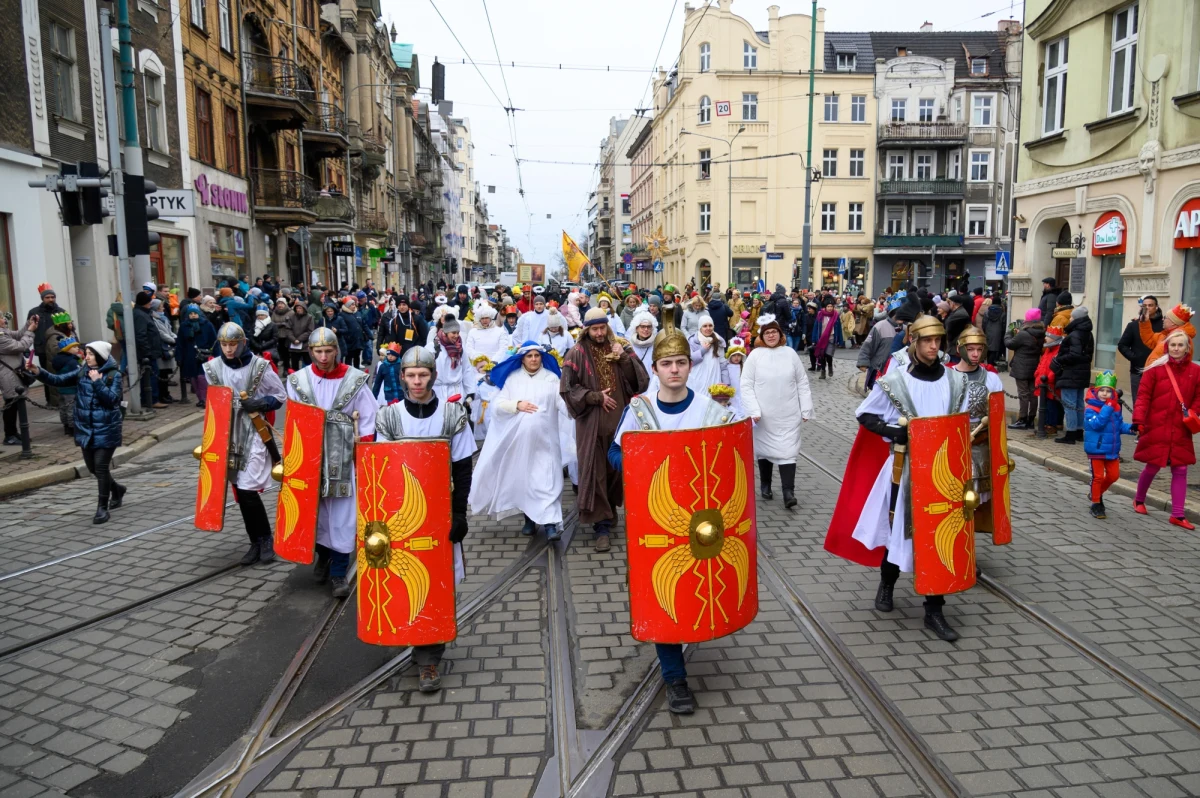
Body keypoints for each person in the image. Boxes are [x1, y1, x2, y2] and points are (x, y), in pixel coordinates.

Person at [607, 327, 738, 715]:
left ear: (689, 366)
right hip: (656, 521)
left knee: (699, 586)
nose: (675, 370)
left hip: (703, 521)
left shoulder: (712, 410)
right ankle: (674, 676)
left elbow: (730, 463)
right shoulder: (640, 410)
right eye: (667, 364)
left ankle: (696, 632)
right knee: (661, 593)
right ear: (656, 368)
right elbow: (616, 456)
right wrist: (645, 461)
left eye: (681, 362)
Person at [831, 314, 969, 642]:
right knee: (898, 531)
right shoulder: (897, 382)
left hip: (943, 475)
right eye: (927, 341)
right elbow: (864, 413)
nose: (933, 347)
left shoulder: (955, 381)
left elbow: (959, 424)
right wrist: (895, 432)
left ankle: (934, 609)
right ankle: (887, 584)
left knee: (939, 536)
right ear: (914, 342)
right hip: (903, 469)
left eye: (938, 341)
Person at [374, 346, 474, 691]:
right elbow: (381, 471)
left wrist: (460, 512)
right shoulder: (388, 418)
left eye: (424, 375)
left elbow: (462, 469)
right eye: (411, 375)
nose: (417, 382)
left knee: (437, 583)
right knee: (406, 578)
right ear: (402, 377)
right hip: (402, 517)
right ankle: (416, 640)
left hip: (440, 513)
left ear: (433, 376)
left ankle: (429, 657)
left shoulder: (452, 415)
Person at [285, 328, 377, 596]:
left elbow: (369, 420)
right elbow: (293, 421)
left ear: (337, 350)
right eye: (318, 351)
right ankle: (322, 556)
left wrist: (364, 459)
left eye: (328, 351)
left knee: (341, 516)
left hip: (343, 458)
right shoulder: (298, 381)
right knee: (315, 513)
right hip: (309, 459)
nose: (323, 357)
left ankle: (338, 573)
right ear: (310, 352)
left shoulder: (355, 380)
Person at [560, 308, 649, 552]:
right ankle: (601, 526)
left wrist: (624, 358)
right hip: (592, 426)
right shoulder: (576, 353)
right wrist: (594, 396)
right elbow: (568, 388)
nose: (599, 333)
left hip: (621, 424)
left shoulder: (621, 346)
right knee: (596, 472)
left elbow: (640, 381)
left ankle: (610, 512)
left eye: (602, 328)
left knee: (616, 472)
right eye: (594, 329)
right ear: (587, 329)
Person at [202, 322, 287, 563]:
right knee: (240, 489)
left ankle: (266, 538)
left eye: (233, 344)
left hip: (254, 433)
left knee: (248, 488)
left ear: (242, 343)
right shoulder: (214, 367)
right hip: (227, 434)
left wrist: (259, 403)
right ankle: (255, 541)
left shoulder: (260, 367)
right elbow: (214, 404)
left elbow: (280, 395)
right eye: (225, 345)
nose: (228, 350)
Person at [470, 342, 568, 539]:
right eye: (529, 356)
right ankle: (529, 519)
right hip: (520, 444)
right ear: (522, 358)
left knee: (548, 480)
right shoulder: (513, 379)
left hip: (546, 443)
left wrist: (580, 410)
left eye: (537, 355)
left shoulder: (552, 379)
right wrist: (517, 404)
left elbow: (564, 404)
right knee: (525, 480)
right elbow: (497, 405)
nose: (533, 359)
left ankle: (550, 524)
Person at [29, 341, 127, 523]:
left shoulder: (114, 375)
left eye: (89, 353)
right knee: (93, 469)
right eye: (86, 353)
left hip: (106, 428)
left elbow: (112, 400)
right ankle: (117, 489)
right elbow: (57, 380)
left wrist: (97, 382)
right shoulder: (82, 371)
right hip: (85, 428)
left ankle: (102, 508)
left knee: (100, 467)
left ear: (99, 356)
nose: (86, 356)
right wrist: (37, 371)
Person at [739, 314, 814, 509]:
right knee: (764, 451)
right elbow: (745, 385)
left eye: (774, 332)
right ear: (762, 336)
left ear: (779, 334)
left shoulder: (790, 353)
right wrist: (753, 410)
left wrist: (806, 408)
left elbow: (802, 382)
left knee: (788, 451)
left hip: (788, 413)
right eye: (767, 333)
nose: (771, 336)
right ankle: (765, 484)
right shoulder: (755, 356)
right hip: (764, 414)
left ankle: (789, 491)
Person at [1132, 329, 1200, 529]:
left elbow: (1198, 396)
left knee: (1180, 468)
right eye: (1173, 345)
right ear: (1166, 347)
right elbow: (1143, 396)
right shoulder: (1155, 369)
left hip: (1181, 427)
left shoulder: (1195, 371)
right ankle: (1139, 499)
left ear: (1187, 348)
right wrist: (1138, 420)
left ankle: (1177, 515)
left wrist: (1193, 412)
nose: (1176, 348)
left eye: (1180, 345)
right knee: (1153, 465)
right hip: (1157, 424)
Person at [1084, 372, 1135, 519]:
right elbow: (1096, 424)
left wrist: (1133, 429)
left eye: (1108, 391)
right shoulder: (1090, 409)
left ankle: (1096, 493)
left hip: (1112, 449)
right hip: (1096, 449)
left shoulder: (1114, 408)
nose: (1105, 394)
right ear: (1096, 391)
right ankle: (1096, 503)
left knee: (1114, 476)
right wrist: (1107, 408)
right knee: (1098, 477)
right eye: (1102, 390)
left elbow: (1119, 426)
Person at [1050, 306, 1094, 445]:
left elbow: (1074, 354)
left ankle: (1070, 433)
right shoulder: (1088, 333)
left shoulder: (1075, 334)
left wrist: (1059, 359)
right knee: (1078, 403)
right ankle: (1079, 431)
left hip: (1071, 373)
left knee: (1069, 404)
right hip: (1082, 372)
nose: (1070, 319)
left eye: (1072, 317)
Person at [1118, 295, 1163, 406]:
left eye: (1150, 305)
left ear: (1156, 307)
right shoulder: (1133, 325)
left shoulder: (1164, 325)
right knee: (1138, 403)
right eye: (1144, 305)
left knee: (1156, 404)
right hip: (1138, 371)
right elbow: (1122, 345)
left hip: (1159, 370)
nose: (1147, 308)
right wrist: (1134, 357)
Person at [1005, 308, 1045, 430]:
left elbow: (1010, 344)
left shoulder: (1023, 334)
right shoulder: (1042, 332)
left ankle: (1022, 419)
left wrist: (1009, 333)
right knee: (1033, 393)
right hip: (1034, 366)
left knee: (1023, 393)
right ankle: (1031, 419)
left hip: (1022, 366)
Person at [0, 313, 37, 445]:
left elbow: (17, 335)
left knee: (15, 403)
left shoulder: (3, 332)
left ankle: (14, 432)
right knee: (11, 404)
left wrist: (28, 324)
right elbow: (20, 346)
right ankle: (9, 436)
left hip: (13, 372)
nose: (4, 319)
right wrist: (31, 331)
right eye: (0, 318)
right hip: (7, 374)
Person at [427, 312, 473, 405]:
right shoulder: (432, 348)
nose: (456, 336)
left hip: (456, 392)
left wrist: (470, 391)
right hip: (437, 391)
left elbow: (466, 369)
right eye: (453, 333)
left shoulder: (460, 348)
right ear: (446, 332)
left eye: (458, 332)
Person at [1034, 326, 1065, 436]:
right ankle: (1046, 423)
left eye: (1048, 336)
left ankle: (1051, 425)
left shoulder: (1058, 350)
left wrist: (1049, 378)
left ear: (1054, 338)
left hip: (1050, 383)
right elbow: (1042, 363)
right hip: (1043, 382)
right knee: (1045, 404)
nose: (1045, 338)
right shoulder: (1048, 349)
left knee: (1052, 406)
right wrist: (1037, 373)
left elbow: (1056, 366)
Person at [50, 336, 83, 435]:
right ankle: (72, 428)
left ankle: (66, 425)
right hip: (71, 388)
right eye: (74, 347)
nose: (77, 348)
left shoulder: (57, 359)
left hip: (61, 388)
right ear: (68, 349)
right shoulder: (72, 362)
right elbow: (78, 374)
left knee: (63, 407)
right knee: (71, 408)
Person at [687, 315, 728, 393]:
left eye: (710, 325)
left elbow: (722, 363)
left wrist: (726, 382)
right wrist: (703, 350)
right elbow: (689, 361)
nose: (708, 328)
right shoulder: (693, 341)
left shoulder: (718, 341)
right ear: (700, 328)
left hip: (714, 377)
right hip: (698, 378)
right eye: (705, 326)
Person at [810, 298, 843, 380]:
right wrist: (814, 339)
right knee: (822, 355)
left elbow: (839, 328)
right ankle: (823, 371)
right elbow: (816, 327)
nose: (830, 308)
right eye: (828, 306)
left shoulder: (835, 315)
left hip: (831, 338)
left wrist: (840, 340)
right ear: (825, 307)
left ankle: (830, 366)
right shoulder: (820, 315)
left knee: (828, 355)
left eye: (831, 306)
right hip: (821, 338)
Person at [334, 297, 367, 368]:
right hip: (349, 341)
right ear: (347, 306)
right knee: (349, 358)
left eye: (354, 304)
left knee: (357, 357)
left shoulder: (356, 313)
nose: (354, 306)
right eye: (352, 305)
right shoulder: (342, 315)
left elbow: (362, 325)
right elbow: (342, 327)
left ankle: (357, 371)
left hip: (357, 340)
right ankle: (348, 373)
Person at [724, 342, 747, 418]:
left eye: (739, 355)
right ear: (730, 356)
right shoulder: (727, 367)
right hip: (732, 392)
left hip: (741, 392)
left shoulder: (744, 367)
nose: (736, 358)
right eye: (734, 355)